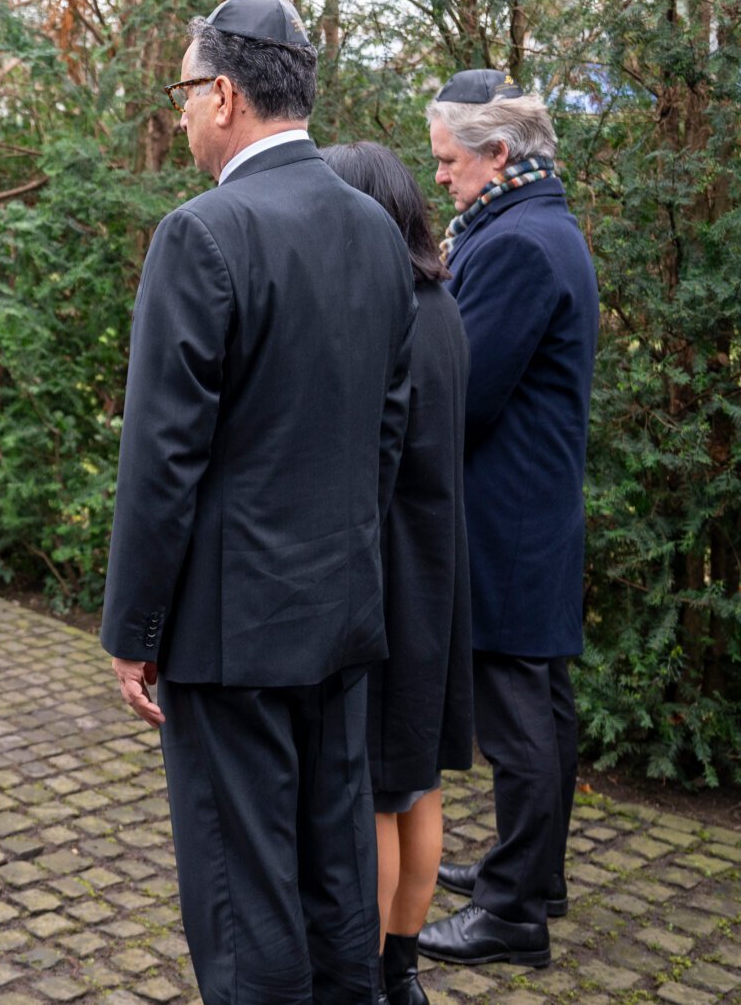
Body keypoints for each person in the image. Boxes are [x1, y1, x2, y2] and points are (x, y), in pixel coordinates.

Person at [103, 0, 416, 1005]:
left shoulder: (202, 233)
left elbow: (162, 456)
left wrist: (133, 627)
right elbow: (387, 429)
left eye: (186, 91)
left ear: (226, 93)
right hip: (340, 614)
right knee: (332, 871)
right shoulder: (376, 227)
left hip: (230, 632)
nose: (181, 112)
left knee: (242, 901)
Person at [416, 70, 599, 970]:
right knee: (545, 710)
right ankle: (533, 872)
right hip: (532, 509)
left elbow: (464, 390)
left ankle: (513, 914)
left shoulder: (518, 244)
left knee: (519, 723)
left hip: (506, 518)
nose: (439, 177)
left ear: (496, 153)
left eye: (449, 161)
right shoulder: (535, 224)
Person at [320, 142, 473, 1005]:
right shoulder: (443, 302)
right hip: (438, 576)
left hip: (389, 579)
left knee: (377, 792)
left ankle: (369, 980)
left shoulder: (386, 315)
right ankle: (403, 969)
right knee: (416, 781)